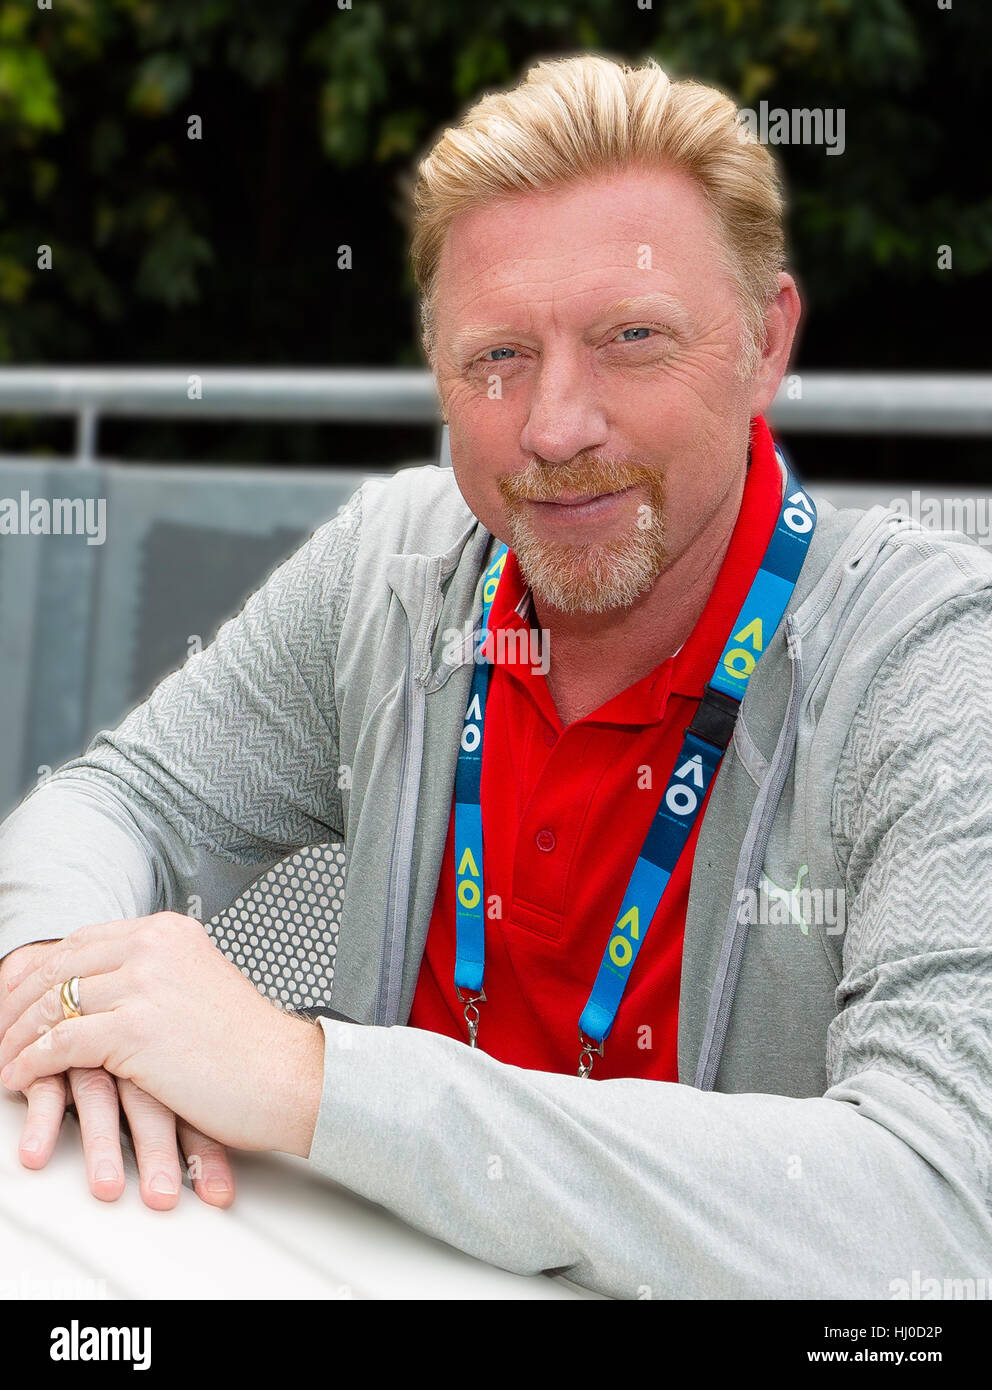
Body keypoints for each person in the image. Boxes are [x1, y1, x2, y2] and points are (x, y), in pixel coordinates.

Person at [1, 54, 990, 1301]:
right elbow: (119, 798)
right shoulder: (393, 567)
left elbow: (945, 1212)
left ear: (763, 344)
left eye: (632, 339)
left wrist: (315, 1083)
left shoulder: (933, 658)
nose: (553, 426)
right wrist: (66, 993)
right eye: (497, 356)